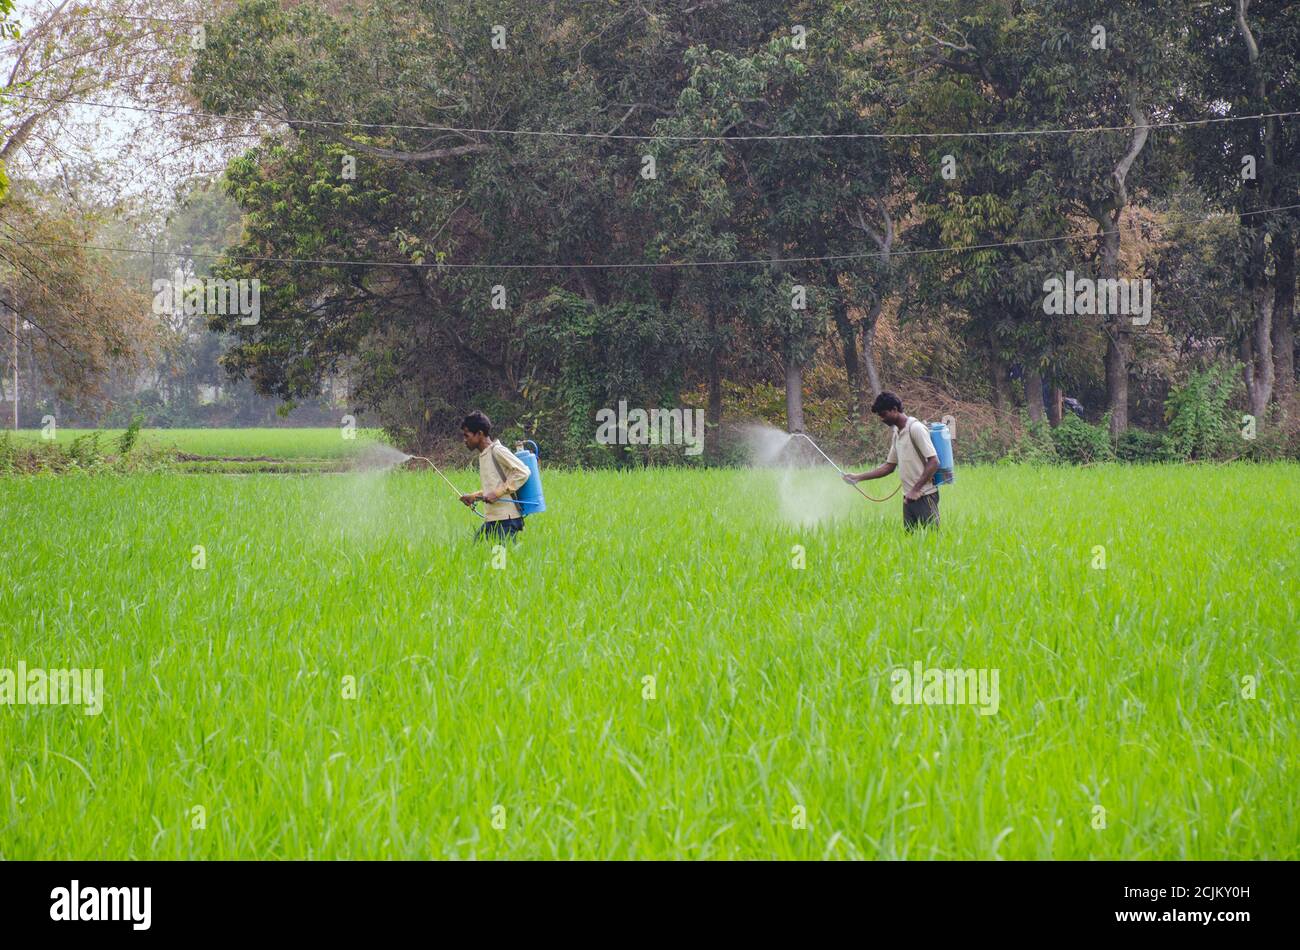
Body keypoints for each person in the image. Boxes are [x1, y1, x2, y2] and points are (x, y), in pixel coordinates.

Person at [844, 391, 941, 530]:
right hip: (908, 498)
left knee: (932, 540)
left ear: (894, 409)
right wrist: (858, 477)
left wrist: (915, 490)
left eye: (883, 414)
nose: (882, 419)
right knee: (910, 543)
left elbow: (934, 462)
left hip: (925, 495)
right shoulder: (897, 433)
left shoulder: (916, 428)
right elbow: (889, 467)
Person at [458, 411, 531, 542]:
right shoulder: (484, 455)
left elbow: (523, 472)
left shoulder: (497, 450)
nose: (464, 440)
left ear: (479, 434)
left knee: (501, 561)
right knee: (476, 551)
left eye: (466, 435)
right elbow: (494, 487)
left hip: (506, 520)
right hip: (493, 519)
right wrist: (473, 496)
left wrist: (498, 493)